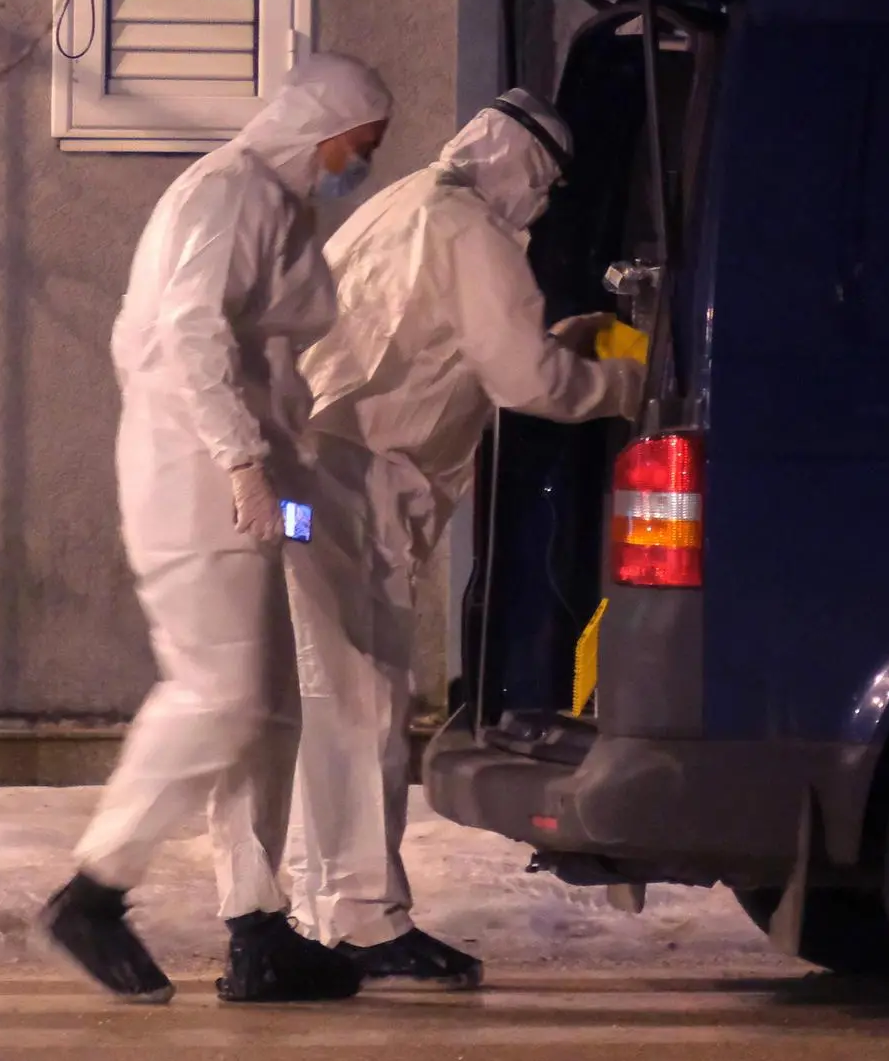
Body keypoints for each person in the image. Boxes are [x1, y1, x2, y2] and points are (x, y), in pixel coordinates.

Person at [43, 53, 394, 1006]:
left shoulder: (277, 205)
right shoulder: (227, 191)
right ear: (318, 125)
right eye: (357, 147)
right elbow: (184, 331)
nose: (358, 164)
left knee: (272, 702)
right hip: (199, 477)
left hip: (257, 480)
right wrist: (241, 457)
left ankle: (256, 928)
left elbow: (261, 354)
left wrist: (289, 490)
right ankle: (94, 890)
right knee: (221, 694)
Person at [275, 89, 645, 986]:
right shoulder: (473, 229)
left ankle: (312, 904)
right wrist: (618, 385)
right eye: (547, 182)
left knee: (325, 700)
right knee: (361, 703)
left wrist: (553, 339)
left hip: (306, 475)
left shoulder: (406, 203)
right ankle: (366, 920)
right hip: (356, 482)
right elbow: (526, 382)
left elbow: (448, 343)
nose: (547, 203)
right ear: (520, 164)